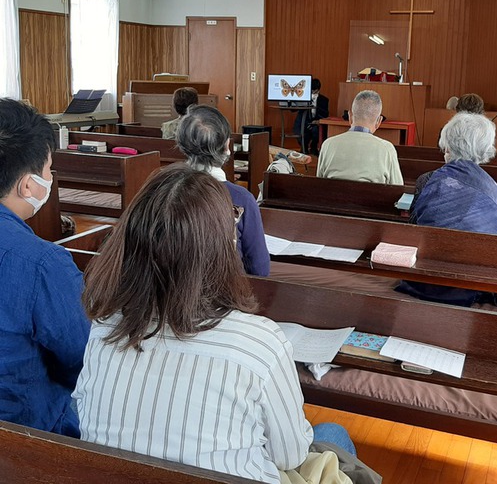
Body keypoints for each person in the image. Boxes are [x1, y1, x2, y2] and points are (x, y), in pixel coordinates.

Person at [73, 164, 363, 484]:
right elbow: (290, 455)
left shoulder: (104, 327)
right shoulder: (260, 343)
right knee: (332, 435)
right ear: (221, 248)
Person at [0, 98, 89, 437]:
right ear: (27, 185)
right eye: (49, 170)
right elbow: (81, 357)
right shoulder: (41, 263)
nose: (50, 178)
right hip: (24, 432)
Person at [397, 112, 497, 306]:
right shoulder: (495, 190)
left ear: (447, 145)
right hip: (472, 284)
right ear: (485, 148)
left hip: (425, 279)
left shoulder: (428, 180)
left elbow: (413, 230)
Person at [176, 105, 270, 276]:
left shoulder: (161, 189)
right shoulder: (242, 198)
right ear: (227, 146)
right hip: (224, 295)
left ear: (182, 145)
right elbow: (259, 267)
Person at [317, 90, 403, 185]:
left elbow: (320, 184)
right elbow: (398, 188)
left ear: (350, 116)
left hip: (333, 199)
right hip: (370, 199)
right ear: (379, 121)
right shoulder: (387, 148)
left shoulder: (328, 144)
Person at [293, 78, 329, 156]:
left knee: (317, 131)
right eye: (311, 91)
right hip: (303, 121)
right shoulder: (303, 97)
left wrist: (318, 121)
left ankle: (314, 147)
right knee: (299, 130)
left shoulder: (324, 100)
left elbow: (325, 114)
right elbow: (293, 110)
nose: (312, 93)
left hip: (316, 122)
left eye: (314, 91)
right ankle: (304, 147)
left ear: (318, 90)